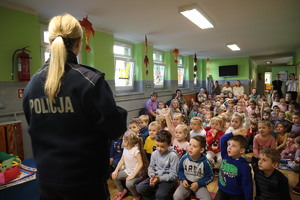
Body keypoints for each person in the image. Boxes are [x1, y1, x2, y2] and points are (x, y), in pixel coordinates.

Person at [22, 13, 127, 200]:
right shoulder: (90, 81)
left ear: (51, 41)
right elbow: (116, 129)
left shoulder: (32, 86)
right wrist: (117, 111)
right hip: (84, 184)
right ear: (79, 43)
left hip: (47, 182)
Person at [136, 130, 179, 200]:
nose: (159, 149)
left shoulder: (173, 156)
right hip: (155, 177)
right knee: (140, 188)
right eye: (157, 145)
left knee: (161, 195)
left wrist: (159, 179)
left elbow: (173, 175)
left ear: (169, 144)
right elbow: (151, 167)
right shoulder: (154, 153)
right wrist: (152, 176)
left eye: (162, 147)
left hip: (167, 180)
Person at [215, 129, 253, 200]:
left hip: (236, 195)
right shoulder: (225, 156)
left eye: (233, 146)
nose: (229, 147)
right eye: (229, 144)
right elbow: (222, 139)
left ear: (241, 150)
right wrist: (234, 133)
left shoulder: (244, 166)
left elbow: (247, 185)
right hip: (222, 191)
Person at [173, 136, 213, 200]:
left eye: (194, 146)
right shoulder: (184, 158)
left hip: (199, 186)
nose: (190, 148)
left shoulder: (205, 162)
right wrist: (183, 179)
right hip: (186, 184)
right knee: (176, 196)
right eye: (190, 145)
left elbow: (210, 177)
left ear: (201, 150)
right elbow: (180, 171)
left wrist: (198, 183)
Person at [112, 131, 148, 200]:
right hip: (128, 171)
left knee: (128, 184)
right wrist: (116, 170)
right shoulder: (125, 148)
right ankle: (122, 191)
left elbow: (141, 164)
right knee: (114, 176)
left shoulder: (136, 151)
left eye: (123, 140)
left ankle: (136, 196)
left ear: (127, 142)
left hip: (138, 174)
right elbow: (122, 160)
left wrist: (132, 175)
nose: (122, 141)